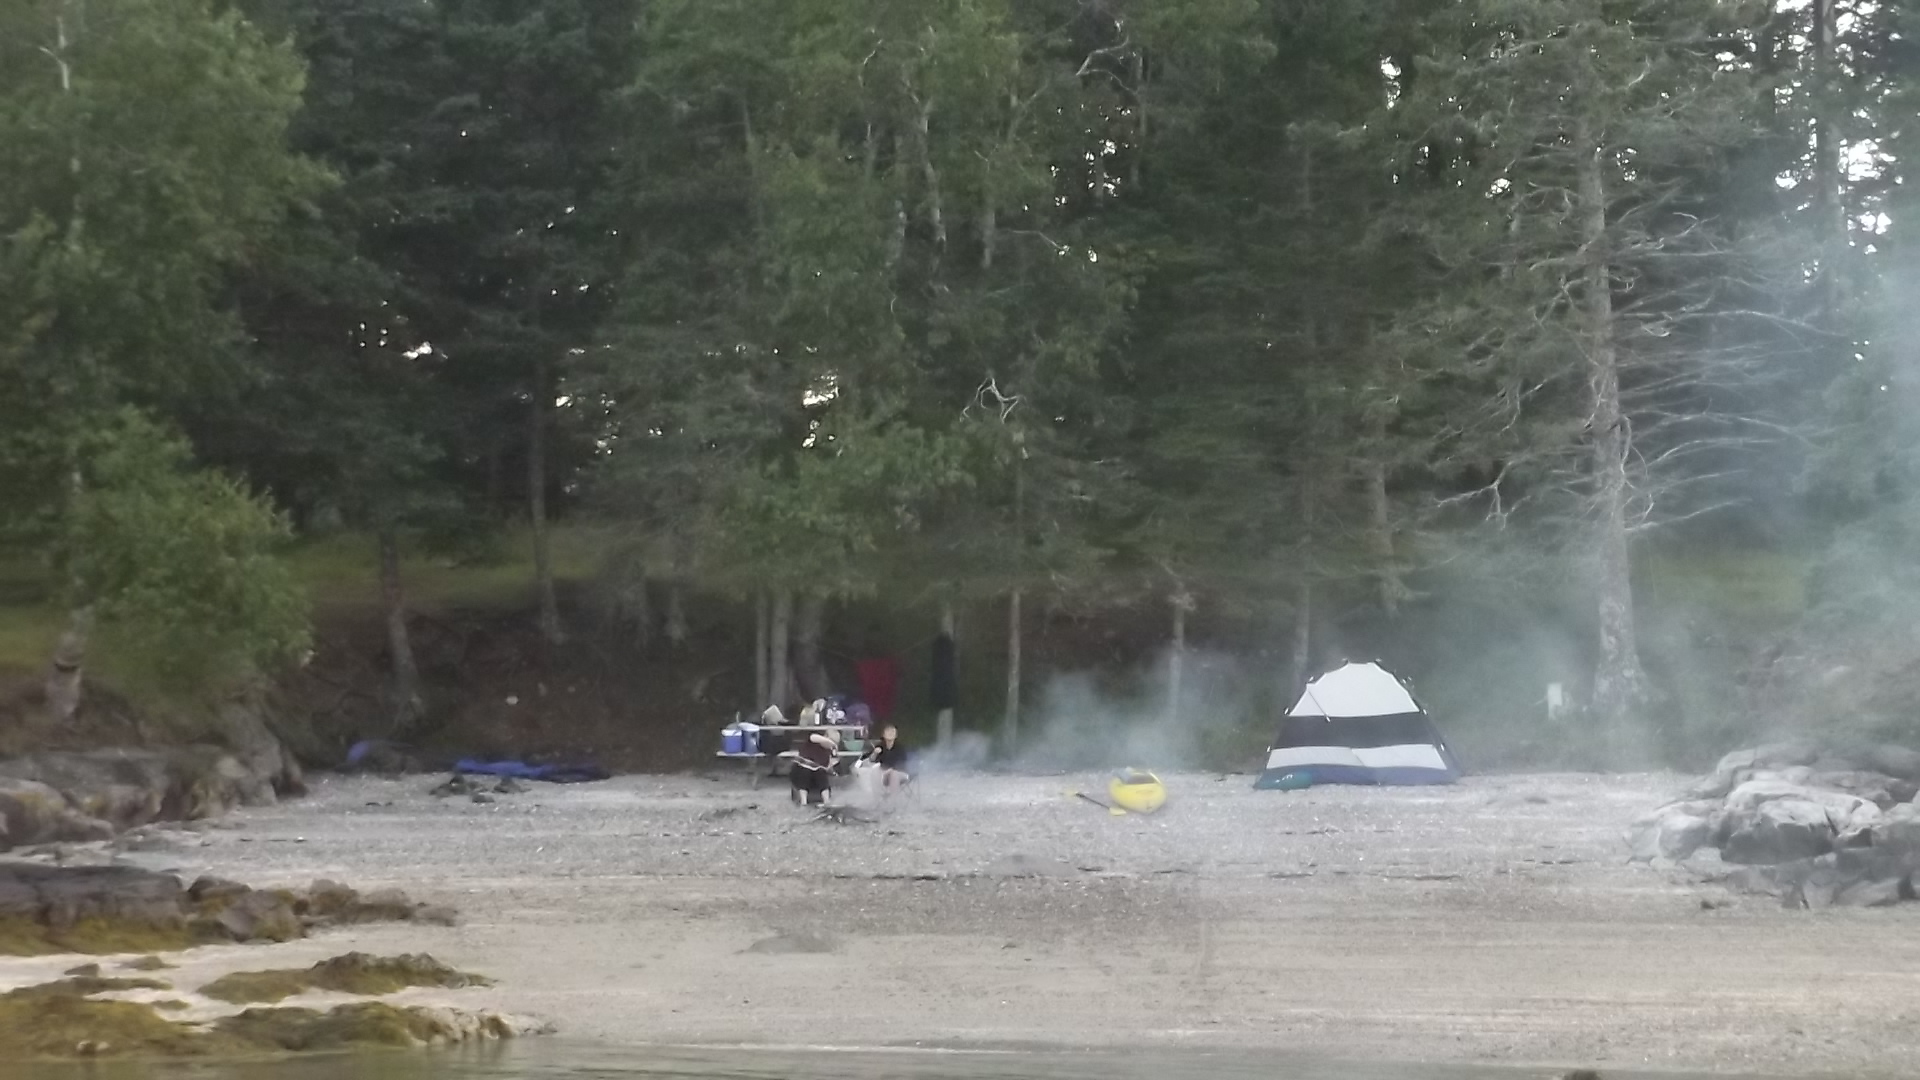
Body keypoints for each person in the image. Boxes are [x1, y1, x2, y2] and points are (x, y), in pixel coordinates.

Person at [790, 727, 839, 806]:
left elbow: (827, 767)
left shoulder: (828, 752)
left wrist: (832, 769)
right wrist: (830, 742)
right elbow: (813, 737)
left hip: (816, 774)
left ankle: (826, 801)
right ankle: (803, 801)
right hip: (801, 768)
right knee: (805, 772)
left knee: (821, 773)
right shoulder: (813, 741)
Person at [861, 724, 910, 794]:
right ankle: (878, 797)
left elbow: (902, 764)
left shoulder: (900, 748)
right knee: (874, 772)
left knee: (893, 774)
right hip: (884, 773)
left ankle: (894, 799)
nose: (890, 733)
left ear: (896, 736)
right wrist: (875, 753)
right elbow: (872, 760)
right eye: (888, 731)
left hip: (900, 773)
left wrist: (890, 770)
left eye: (893, 732)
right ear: (883, 735)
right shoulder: (880, 746)